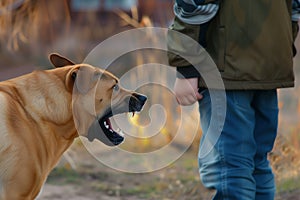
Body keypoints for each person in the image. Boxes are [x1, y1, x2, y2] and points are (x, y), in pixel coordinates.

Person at [167, 0, 300, 199]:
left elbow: (195, 4)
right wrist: (276, 49)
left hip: (226, 69)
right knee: (257, 164)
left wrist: (186, 66)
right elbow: (294, 9)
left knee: (230, 168)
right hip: (269, 66)